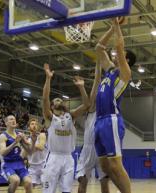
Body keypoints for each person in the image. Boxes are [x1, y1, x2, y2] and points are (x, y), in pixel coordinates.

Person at [93, 17, 136, 193]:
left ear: (125, 59)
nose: (115, 54)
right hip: (99, 120)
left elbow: (118, 47)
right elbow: (98, 48)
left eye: (120, 55)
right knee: (105, 166)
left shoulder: (125, 73)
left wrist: (117, 26)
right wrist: (111, 28)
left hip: (111, 119)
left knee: (116, 165)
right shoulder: (110, 70)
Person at [41, 63, 89, 193]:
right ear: (51, 106)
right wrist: (48, 78)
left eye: (60, 99)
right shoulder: (49, 117)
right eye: (55, 100)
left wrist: (81, 88)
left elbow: (86, 105)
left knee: (66, 191)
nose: (58, 100)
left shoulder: (70, 116)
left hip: (68, 158)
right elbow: (45, 98)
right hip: (53, 157)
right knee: (48, 191)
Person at [76, 62, 109, 193]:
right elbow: (97, 79)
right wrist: (99, 61)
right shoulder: (92, 108)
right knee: (83, 180)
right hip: (88, 148)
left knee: (105, 182)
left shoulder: (107, 110)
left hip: (103, 149)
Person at [0, 115, 34, 193]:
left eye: (14, 119)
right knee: (15, 181)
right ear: (6, 123)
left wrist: (33, 140)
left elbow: (30, 151)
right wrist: (15, 142)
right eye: (11, 119)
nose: (13, 120)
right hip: (8, 164)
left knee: (29, 182)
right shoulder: (3, 136)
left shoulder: (20, 134)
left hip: (20, 163)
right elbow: (3, 153)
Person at [24, 118, 47, 187]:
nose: (34, 125)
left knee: (46, 187)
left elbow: (41, 147)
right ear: (28, 127)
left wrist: (27, 144)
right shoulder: (27, 139)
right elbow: (27, 153)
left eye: (36, 124)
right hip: (32, 166)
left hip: (43, 165)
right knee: (30, 186)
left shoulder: (41, 135)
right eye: (32, 124)